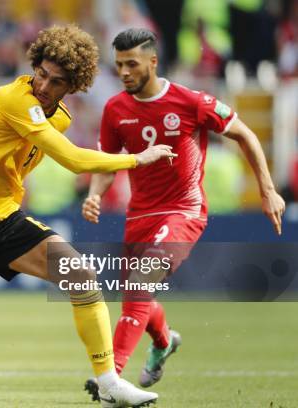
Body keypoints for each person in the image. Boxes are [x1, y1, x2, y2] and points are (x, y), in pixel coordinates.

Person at [0, 24, 176, 408]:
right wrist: (138, 158)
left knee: (82, 276)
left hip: (0, 217)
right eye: (41, 73)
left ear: (73, 85)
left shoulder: (61, 118)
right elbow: (72, 159)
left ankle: (108, 382)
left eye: (56, 82)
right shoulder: (14, 98)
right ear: (34, 65)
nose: (43, 85)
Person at [82, 28, 285, 398]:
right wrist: (95, 194)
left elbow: (246, 135)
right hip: (139, 217)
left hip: (183, 211)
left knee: (139, 284)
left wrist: (267, 189)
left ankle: (110, 378)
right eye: (119, 66)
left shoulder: (192, 101)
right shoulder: (115, 109)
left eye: (132, 64)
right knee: (136, 295)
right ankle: (164, 341)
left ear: (153, 62)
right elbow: (108, 164)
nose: (125, 72)